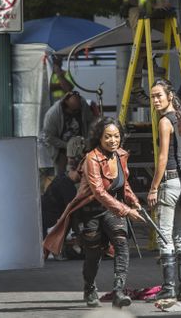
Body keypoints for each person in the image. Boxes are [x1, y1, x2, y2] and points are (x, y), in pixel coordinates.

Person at [43, 117, 145, 308]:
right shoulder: (92, 158)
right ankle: (90, 288)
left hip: (113, 210)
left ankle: (119, 290)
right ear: (99, 137)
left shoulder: (121, 155)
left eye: (116, 136)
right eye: (108, 136)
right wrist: (126, 210)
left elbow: (124, 182)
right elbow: (98, 192)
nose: (112, 140)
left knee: (122, 244)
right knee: (93, 255)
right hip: (91, 211)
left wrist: (134, 201)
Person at [147, 78, 181, 302]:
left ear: (169, 96)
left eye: (158, 96)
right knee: (179, 233)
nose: (155, 100)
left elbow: (163, 157)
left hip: (169, 181)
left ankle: (169, 288)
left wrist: (154, 187)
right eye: (152, 96)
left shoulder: (165, 121)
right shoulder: (180, 117)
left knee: (165, 234)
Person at [42, 91, 95, 175]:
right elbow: (49, 137)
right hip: (61, 149)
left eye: (78, 110)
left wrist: (87, 142)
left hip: (81, 147)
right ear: (66, 106)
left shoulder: (83, 105)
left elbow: (91, 122)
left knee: (83, 174)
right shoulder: (52, 114)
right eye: (74, 110)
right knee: (61, 177)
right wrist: (68, 146)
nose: (76, 112)